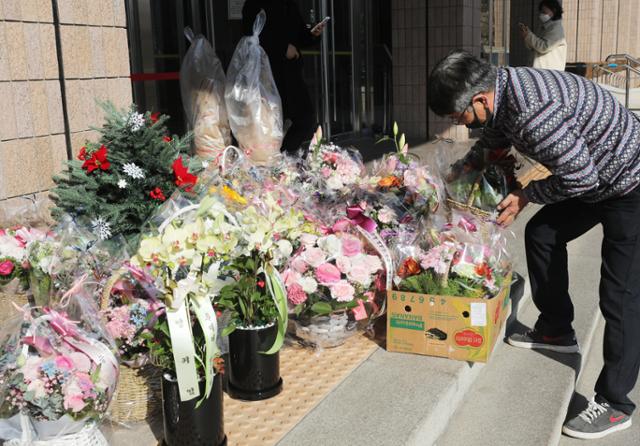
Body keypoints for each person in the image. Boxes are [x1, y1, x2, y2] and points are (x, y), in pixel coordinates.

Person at [428, 50, 640, 441]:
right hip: (596, 174)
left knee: (620, 292)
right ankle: (557, 330)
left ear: (480, 99)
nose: (458, 124)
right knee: (542, 234)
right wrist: (466, 168)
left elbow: (580, 178)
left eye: (458, 117)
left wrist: (526, 195)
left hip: (627, 181)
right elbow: (495, 137)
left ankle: (616, 403)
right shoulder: (503, 92)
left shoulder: (534, 113)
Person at [242, 0, 326, 154]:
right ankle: (272, 160)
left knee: (305, 118)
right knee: (269, 123)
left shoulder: (289, 4)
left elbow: (299, 36)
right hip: (267, 75)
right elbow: (251, 35)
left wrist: (312, 35)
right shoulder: (254, 4)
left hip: (291, 74)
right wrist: (282, 48)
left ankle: (282, 156)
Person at [519, 0, 567, 70]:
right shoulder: (545, 26)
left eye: (544, 12)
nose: (541, 14)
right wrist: (526, 35)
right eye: (541, 12)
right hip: (541, 70)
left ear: (554, 11)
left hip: (549, 72)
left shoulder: (556, 28)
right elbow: (534, 46)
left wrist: (528, 36)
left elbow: (544, 47)